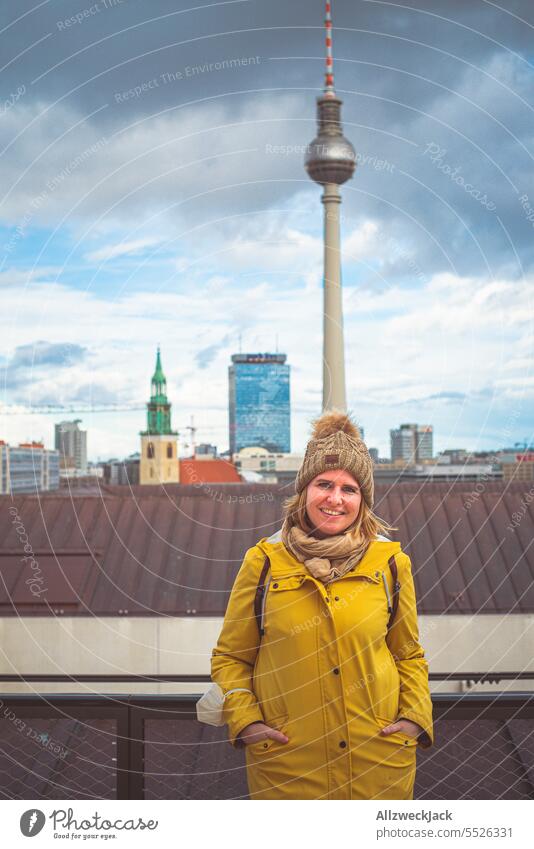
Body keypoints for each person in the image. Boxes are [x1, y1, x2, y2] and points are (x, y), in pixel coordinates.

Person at [211, 411, 433, 800]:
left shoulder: (390, 564)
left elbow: (407, 654)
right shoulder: (264, 561)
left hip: (377, 763)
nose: (335, 498)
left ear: (362, 501)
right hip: (288, 764)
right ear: (304, 491)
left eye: (350, 489)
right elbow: (231, 658)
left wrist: (414, 718)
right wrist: (246, 722)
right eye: (324, 484)